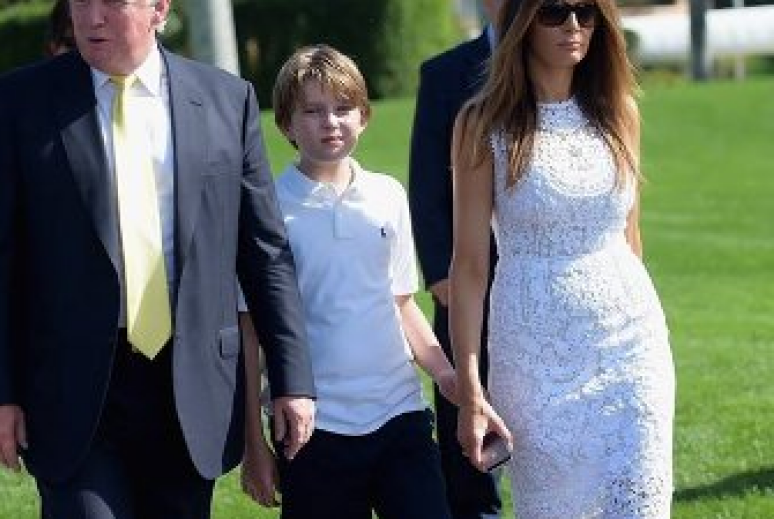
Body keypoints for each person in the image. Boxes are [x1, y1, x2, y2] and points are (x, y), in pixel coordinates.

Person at [0, 1, 316, 518]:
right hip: (70, 390)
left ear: (158, 9)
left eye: (112, 2)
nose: (91, 17)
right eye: (81, 1)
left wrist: (292, 379)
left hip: (190, 389)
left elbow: (264, 252)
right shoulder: (17, 103)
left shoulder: (227, 100)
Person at [449, 0, 675, 517]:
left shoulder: (620, 111)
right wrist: (471, 388)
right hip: (533, 356)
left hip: (631, 348)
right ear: (522, 23)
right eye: (553, 12)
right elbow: (469, 268)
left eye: (585, 12)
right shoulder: (482, 124)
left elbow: (631, 237)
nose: (573, 26)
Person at [239, 44, 457, 519]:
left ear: (364, 116)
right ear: (286, 124)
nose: (331, 122)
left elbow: (401, 302)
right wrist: (254, 444)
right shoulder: (267, 209)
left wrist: (445, 373)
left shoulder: (388, 195)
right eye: (312, 111)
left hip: (400, 413)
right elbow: (250, 330)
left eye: (342, 108)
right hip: (311, 427)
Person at [408, 1, 503, 517]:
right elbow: (426, 184)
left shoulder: (563, 63)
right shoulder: (445, 74)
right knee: (468, 432)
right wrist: (442, 276)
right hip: (465, 284)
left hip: (543, 279)